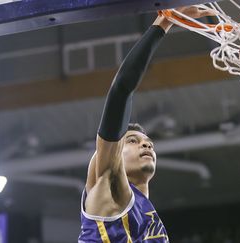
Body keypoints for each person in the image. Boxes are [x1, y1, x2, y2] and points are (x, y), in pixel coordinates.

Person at [78, 6, 214, 243]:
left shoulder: (145, 211)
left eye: (149, 143)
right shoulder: (108, 186)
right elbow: (121, 91)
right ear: (116, 152)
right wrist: (164, 23)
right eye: (133, 141)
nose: (147, 146)